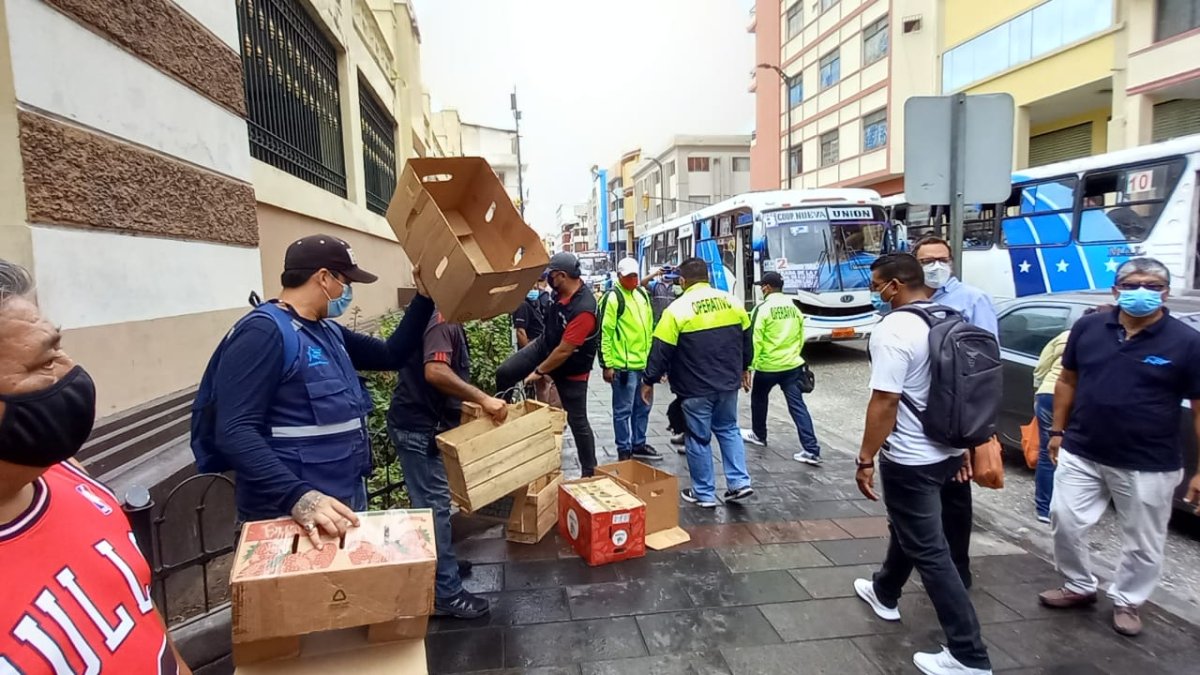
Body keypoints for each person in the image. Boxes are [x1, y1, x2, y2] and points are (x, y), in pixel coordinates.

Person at [0, 259, 192, 674]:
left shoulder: (65, 472)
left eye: (58, 348)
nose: (71, 372)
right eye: (43, 363)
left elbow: (140, 611)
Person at [205, 235, 434, 544]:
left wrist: (423, 298)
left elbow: (390, 355)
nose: (348, 292)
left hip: (340, 501)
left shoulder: (327, 331)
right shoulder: (263, 333)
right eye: (346, 281)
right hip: (290, 517)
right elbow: (234, 430)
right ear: (324, 277)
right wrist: (299, 497)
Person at [1040, 257, 1200, 637]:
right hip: (1082, 448)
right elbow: (1067, 380)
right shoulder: (1089, 326)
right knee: (1064, 518)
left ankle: (1128, 599)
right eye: (1131, 285)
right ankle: (1079, 585)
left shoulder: (1187, 342)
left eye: (1151, 285)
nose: (1140, 292)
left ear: (1165, 292)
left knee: (1143, 540)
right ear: (1115, 290)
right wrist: (1057, 432)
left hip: (1148, 461)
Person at [853, 253, 992, 675]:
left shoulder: (893, 329)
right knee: (913, 530)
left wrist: (865, 458)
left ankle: (968, 654)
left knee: (931, 551)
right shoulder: (947, 316)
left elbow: (885, 400)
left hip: (912, 458)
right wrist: (967, 445)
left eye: (877, 285)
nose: (875, 292)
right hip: (948, 450)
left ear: (894, 285)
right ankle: (885, 591)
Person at [388, 312, 508, 619]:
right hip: (420, 429)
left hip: (424, 426)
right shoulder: (441, 319)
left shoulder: (443, 317)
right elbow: (436, 371)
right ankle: (446, 594)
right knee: (434, 511)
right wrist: (483, 399)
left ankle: (444, 567)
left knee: (433, 507)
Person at [912, 235, 997, 585]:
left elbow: (985, 369)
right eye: (926, 260)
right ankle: (922, 566)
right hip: (917, 415)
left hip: (955, 418)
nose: (934, 266)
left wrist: (972, 435)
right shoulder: (912, 301)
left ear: (951, 262)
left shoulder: (972, 300)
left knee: (955, 495)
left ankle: (958, 571)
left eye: (941, 259)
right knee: (916, 499)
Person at [641, 257, 754, 508]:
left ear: (682, 281)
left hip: (694, 387)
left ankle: (703, 493)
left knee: (698, 438)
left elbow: (661, 350)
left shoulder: (677, 310)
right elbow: (747, 340)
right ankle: (739, 483)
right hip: (727, 383)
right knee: (728, 429)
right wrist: (745, 368)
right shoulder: (732, 303)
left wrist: (648, 381)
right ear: (708, 278)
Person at [496, 252, 600, 477]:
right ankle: (498, 430)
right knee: (505, 373)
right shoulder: (558, 293)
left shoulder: (584, 309)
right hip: (544, 345)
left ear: (562, 276)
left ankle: (589, 472)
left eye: (550, 276)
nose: (547, 280)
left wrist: (539, 371)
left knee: (577, 420)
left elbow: (564, 350)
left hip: (572, 368)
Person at [742, 272, 823, 466]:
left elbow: (755, 339)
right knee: (797, 406)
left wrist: (749, 367)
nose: (761, 288)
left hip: (768, 366)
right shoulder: (793, 307)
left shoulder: (762, 308)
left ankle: (759, 435)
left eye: (763, 286)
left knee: (759, 399)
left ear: (767, 287)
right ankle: (811, 450)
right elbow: (800, 334)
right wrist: (794, 355)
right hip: (792, 366)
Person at [600, 258, 660, 462]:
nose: (634, 279)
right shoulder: (613, 298)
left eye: (635, 275)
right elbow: (604, 333)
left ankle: (639, 443)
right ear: (619, 276)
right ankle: (624, 448)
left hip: (643, 365)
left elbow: (650, 328)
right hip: (623, 366)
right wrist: (607, 364)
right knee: (623, 410)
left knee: (643, 407)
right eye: (629, 276)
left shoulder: (642, 294)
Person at [913, 236, 997, 335]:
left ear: (951, 263)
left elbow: (987, 344)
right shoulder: (909, 297)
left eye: (943, 260)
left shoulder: (975, 299)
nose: (937, 266)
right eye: (928, 261)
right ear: (914, 265)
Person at [512, 279, 550, 349]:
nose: (533, 290)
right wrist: (527, 351)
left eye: (535, 288)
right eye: (530, 288)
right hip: (531, 345)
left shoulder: (535, 302)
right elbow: (520, 332)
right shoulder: (522, 305)